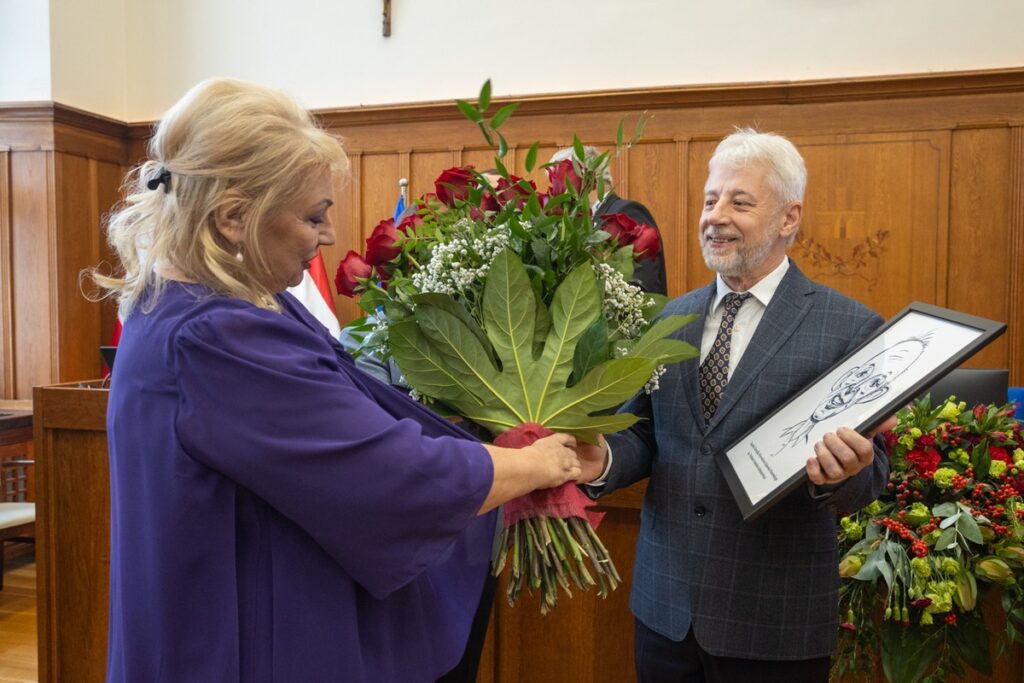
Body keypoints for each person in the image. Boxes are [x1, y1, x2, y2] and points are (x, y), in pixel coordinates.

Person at [91, 78, 596, 683]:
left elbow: (339, 409)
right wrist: (538, 467)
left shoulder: (206, 303)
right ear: (233, 217)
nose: (329, 237)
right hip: (242, 644)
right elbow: (387, 477)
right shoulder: (218, 335)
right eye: (313, 217)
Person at [581, 128, 892, 682]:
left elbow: (873, 476)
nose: (715, 216)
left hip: (773, 624)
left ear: (788, 218)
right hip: (665, 613)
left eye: (739, 201)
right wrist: (600, 459)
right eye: (709, 199)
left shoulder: (850, 328)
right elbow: (646, 435)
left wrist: (850, 471)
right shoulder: (665, 317)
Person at [550, 145, 667, 294]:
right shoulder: (581, 223)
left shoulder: (627, 213)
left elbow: (642, 287)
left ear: (584, 177)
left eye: (558, 182)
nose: (555, 192)